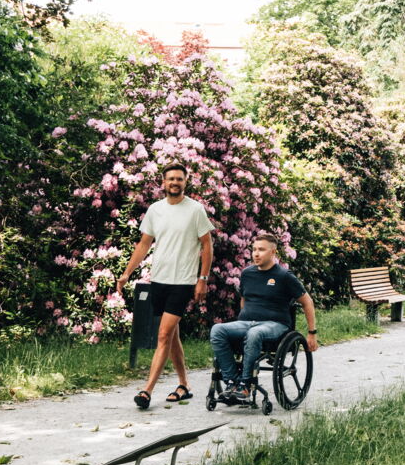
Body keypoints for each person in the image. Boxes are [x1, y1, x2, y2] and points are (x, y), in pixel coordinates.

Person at [116, 162, 214, 407]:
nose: (175, 182)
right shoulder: (155, 210)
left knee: (162, 335)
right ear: (163, 182)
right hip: (159, 279)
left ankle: (147, 390)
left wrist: (202, 279)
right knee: (172, 336)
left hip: (182, 281)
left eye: (179, 179)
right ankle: (184, 384)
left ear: (185, 182)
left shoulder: (195, 210)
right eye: (171, 178)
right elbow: (143, 244)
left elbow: (207, 245)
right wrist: (127, 273)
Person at [210, 233, 317, 404]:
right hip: (247, 322)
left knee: (255, 333)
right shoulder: (247, 274)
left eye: (261, 250)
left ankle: (245, 384)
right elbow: (243, 299)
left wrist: (312, 332)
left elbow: (307, 302)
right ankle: (231, 381)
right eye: (254, 250)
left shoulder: (284, 276)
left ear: (273, 252)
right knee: (217, 330)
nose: (256, 254)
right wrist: (241, 321)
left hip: (275, 325)